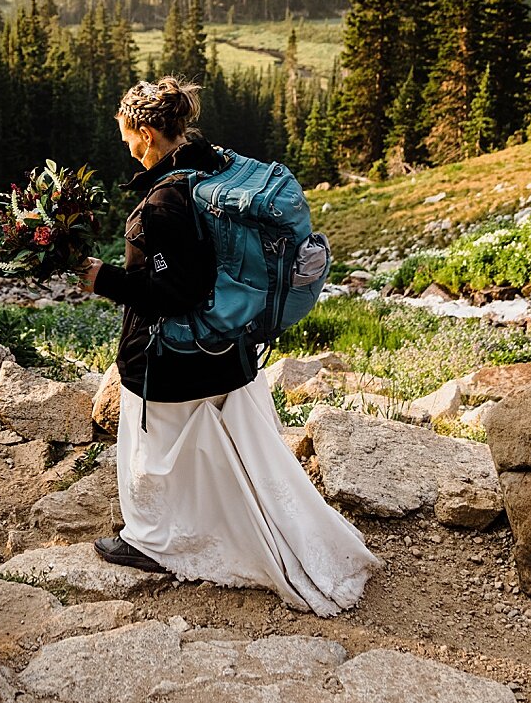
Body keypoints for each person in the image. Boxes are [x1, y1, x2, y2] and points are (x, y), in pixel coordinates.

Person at [80, 77, 378, 617]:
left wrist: (102, 278)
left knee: (152, 458)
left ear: (147, 133)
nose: (124, 145)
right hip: (229, 351)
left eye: (127, 135)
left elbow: (177, 292)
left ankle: (151, 540)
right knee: (237, 459)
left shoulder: (163, 205)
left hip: (177, 362)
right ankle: (253, 533)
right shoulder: (214, 165)